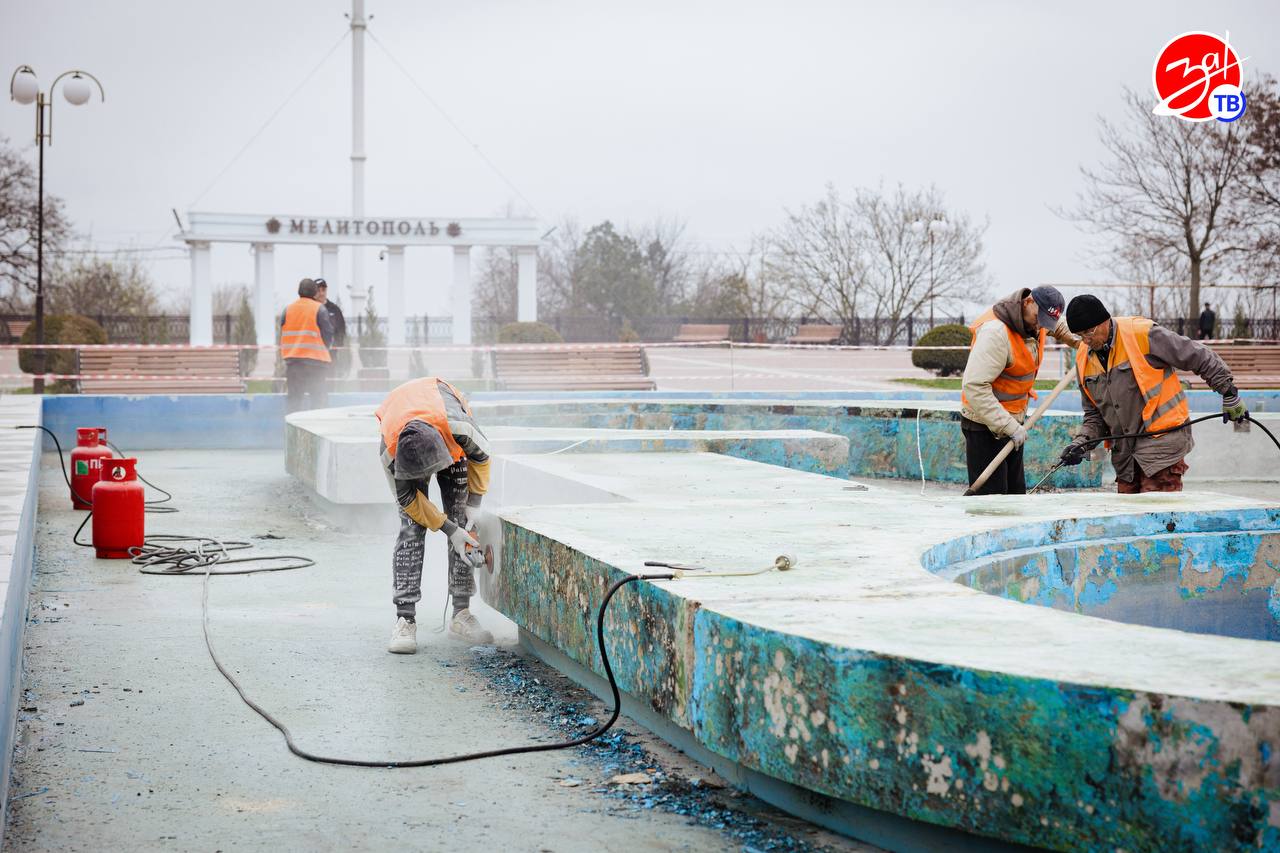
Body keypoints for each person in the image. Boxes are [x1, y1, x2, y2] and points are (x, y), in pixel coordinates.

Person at [1058, 295, 1247, 493]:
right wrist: (1081, 444)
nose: (1086, 340)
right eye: (1080, 335)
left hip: (1162, 445)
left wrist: (1228, 392)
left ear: (1105, 320)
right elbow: (1094, 415)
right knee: (1126, 512)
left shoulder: (1141, 333)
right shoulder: (1083, 357)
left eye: (1089, 332)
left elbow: (1197, 355)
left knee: (1157, 509)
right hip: (1126, 457)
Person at [376, 376, 494, 653]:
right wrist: (449, 530)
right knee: (411, 527)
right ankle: (405, 619)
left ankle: (461, 613)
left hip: (448, 436)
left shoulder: (461, 429)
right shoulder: (390, 453)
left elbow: (482, 456)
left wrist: (473, 504)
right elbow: (408, 500)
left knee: (463, 518)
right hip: (406, 441)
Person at [960, 286, 1078, 495]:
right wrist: (1009, 426)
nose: (1041, 326)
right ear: (1028, 302)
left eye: (1046, 322)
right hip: (985, 425)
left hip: (1014, 422)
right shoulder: (996, 333)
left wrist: (1085, 341)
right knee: (992, 500)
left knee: (1015, 497)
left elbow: (1060, 326)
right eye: (1039, 318)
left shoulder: (1036, 319)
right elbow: (974, 386)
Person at [280, 278, 334, 414]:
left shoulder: (288, 310)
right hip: (316, 364)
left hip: (294, 364)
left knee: (294, 401)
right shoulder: (319, 309)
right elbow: (328, 335)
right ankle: (317, 426)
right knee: (318, 402)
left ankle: (292, 427)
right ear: (315, 292)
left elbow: (282, 331)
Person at [313, 278, 347, 354]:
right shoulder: (310, 309)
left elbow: (341, 329)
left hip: (331, 354)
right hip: (314, 354)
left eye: (323, 290)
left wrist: (337, 345)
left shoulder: (335, 309)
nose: (321, 293)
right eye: (318, 291)